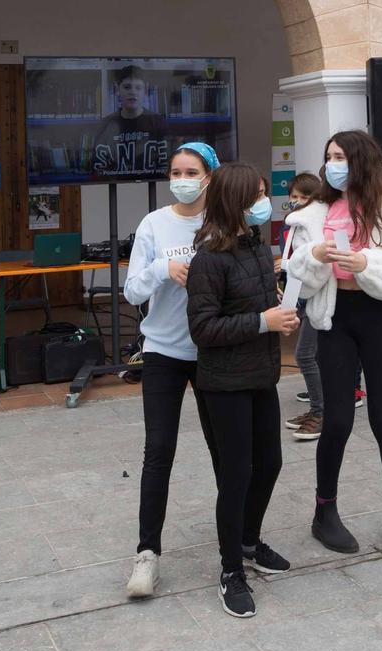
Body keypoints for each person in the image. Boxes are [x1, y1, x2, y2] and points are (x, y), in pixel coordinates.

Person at [284, 129, 382, 555]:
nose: (332, 164)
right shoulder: (314, 213)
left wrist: (367, 263)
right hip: (334, 318)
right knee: (338, 419)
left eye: (340, 155)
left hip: (377, 315)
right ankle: (324, 512)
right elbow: (297, 275)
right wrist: (315, 258)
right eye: (329, 156)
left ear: (361, 160)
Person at [187, 165, 300, 618]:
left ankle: (249, 541)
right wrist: (262, 322)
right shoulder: (208, 259)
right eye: (254, 195)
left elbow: (259, 303)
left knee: (269, 464)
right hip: (223, 384)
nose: (262, 201)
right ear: (234, 201)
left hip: (261, 376)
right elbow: (203, 328)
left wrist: (277, 308)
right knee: (235, 477)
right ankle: (231, 569)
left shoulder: (256, 246)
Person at [123, 142, 220, 599]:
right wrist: (164, 267)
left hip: (212, 353)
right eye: (175, 171)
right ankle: (147, 554)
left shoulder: (221, 220)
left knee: (226, 450)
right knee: (158, 451)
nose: (181, 178)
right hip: (162, 351)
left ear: (208, 176)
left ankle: (238, 543)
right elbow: (131, 291)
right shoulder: (153, 224)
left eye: (191, 170)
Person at [280, 172, 327, 442]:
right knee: (310, 355)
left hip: (317, 298)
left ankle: (320, 413)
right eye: (294, 196)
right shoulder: (300, 221)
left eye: (303, 196)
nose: (297, 201)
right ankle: (316, 410)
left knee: (306, 355)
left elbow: (313, 261)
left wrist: (286, 265)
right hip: (308, 297)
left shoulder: (308, 221)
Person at [92, 64, 170, 178]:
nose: (133, 92)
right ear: (117, 90)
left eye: (138, 88)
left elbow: (167, 166)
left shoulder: (158, 123)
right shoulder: (106, 125)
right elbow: (98, 170)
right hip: (114, 187)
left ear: (145, 91)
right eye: (127, 87)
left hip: (152, 186)